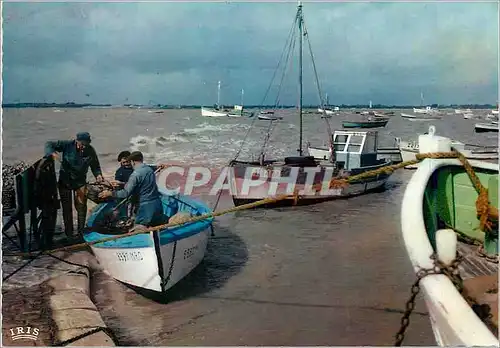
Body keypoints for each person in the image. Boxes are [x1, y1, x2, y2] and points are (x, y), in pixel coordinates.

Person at [44, 132, 104, 238]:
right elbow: (48, 144)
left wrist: (98, 175)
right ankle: (69, 234)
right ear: (77, 141)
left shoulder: (90, 150)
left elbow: (95, 166)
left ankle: (81, 232)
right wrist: (53, 154)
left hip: (80, 181)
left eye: (86, 144)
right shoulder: (67, 145)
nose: (84, 147)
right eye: (82, 144)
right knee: (67, 209)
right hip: (65, 181)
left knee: (81, 206)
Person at [99, 151, 165, 229]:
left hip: (145, 208)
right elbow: (141, 185)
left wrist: (110, 193)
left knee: (137, 229)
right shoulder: (149, 170)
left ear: (132, 162)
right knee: (158, 226)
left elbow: (125, 193)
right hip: (157, 205)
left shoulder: (135, 174)